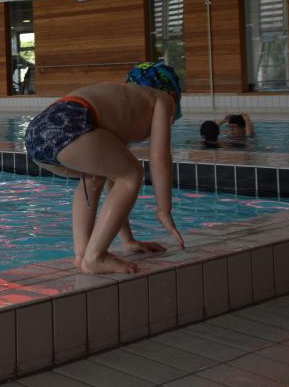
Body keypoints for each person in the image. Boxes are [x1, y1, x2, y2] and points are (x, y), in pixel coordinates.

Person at [23, 62, 185, 275]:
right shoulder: (162, 99)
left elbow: (114, 181)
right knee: (133, 174)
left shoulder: (122, 103)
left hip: (37, 132)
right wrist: (164, 210)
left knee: (95, 176)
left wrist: (127, 240)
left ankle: (82, 254)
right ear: (172, 92)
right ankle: (95, 257)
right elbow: (160, 157)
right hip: (72, 122)